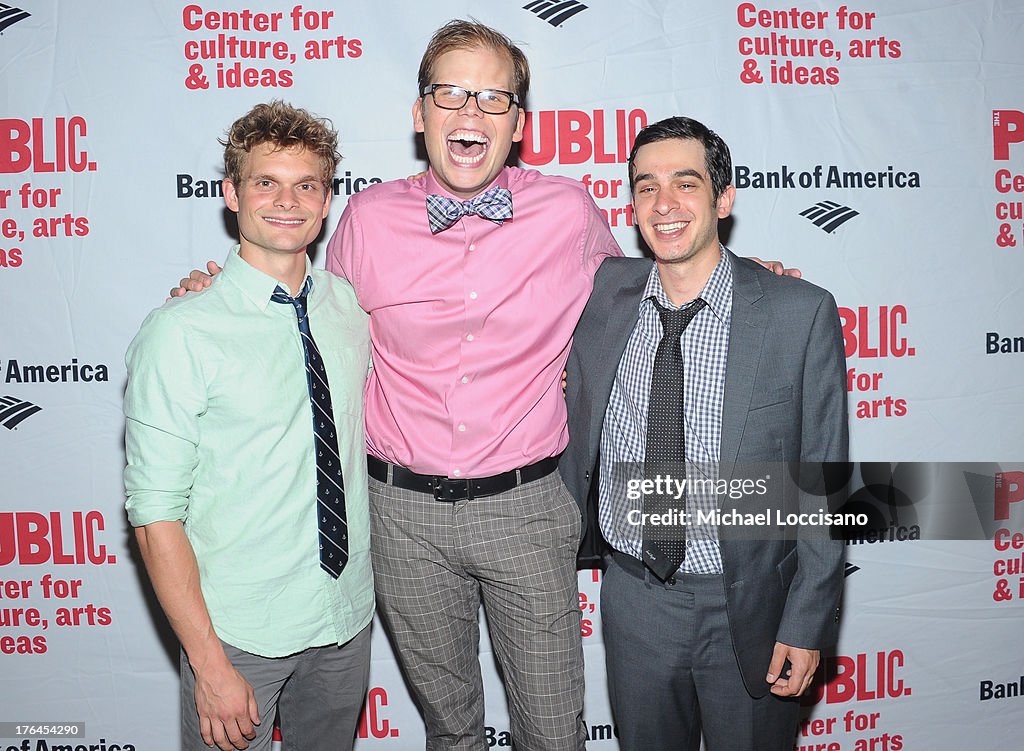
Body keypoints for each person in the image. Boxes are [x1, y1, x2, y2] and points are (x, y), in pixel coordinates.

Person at [170, 22, 798, 751]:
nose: (470, 114)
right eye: (451, 93)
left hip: (528, 509)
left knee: (553, 731)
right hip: (400, 515)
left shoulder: (567, 213)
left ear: (518, 124)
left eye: (493, 98)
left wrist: (751, 287)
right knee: (452, 729)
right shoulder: (368, 221)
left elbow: (655, 275)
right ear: (420, 114)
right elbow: (304, 313)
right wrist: (220, 287)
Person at [559, 116, 847, 751]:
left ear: (724, 197)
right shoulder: (602, 294)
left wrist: (806, 623)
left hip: (748, 603)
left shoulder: (799, 314)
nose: (664, 205)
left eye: (686, 184)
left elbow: (823, 483)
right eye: (645, 187)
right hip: (634, 598)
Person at [124, 101, 372, 751]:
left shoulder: (349, 307)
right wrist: (209, 664)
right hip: (239, 634)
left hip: (345, 620)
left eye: (306, 184)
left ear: (326, 199)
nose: (287, 201)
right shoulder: (180, 331)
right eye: (266, 182)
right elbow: (154, 519)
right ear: (232, 193)